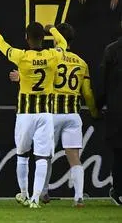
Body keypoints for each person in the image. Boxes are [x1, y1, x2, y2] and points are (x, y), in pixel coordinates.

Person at [0, 19, 67, 207]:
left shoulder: (21, 56)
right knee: (42, 157)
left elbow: (1, 43)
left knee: (22, 155)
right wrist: (52, 29)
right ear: (43, 38)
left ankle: (23, 193)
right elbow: (63, 43)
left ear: (26, 38)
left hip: (25, 114)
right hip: (45, 114)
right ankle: (35, 199)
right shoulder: (53, 55)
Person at [36, 23, 98, 206]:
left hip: (53, 114)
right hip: (73, 115)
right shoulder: (81, 62)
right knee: (74, 156)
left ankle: (43, 193)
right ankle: (78, 197)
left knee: (45, 155)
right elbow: (87, 93)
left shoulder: (52, 58)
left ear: (57, 39)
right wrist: (94, 112)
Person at [99, 31, 122, 205]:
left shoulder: (112, 50)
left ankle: (119, 191)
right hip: (116, 109)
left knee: (119, 151)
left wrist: (97, 106)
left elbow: (103, 82)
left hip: (117, 109)